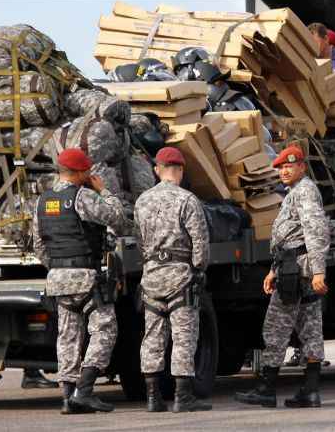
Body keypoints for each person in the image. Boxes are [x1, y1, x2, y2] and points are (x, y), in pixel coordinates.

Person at [33, 148, 127, 414]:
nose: (90, 174)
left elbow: (39, 245)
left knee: (67, 337)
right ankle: (84, 391)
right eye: (87, 170)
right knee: (105, 329)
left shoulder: (43, 201)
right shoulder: (83, 196)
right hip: (85, 276)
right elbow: (117, 219)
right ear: (79, 172)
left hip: (58, 278)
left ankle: (67, 397)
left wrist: (58, 266)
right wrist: (105, 192)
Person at [235, 146, 330, 408]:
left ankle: (266, 389)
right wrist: (273, 269)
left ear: (302, 167)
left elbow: (315, 230)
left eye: (289, 166)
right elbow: (290, 237)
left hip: (298, 270)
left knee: (275, 328)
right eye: (280, 167)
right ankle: (310, 391)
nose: (284, 171)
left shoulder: (305, 192)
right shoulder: (295, 192)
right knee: (310, 330)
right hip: (294, 267)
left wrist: (318, 270)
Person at [134, 146, 212, 413]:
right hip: (180, 275)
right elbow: (200, 242)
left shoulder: (142, 201)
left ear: (157, 170)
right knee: (183, 336)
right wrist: (199, 269)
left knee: (153, 336)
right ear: (180, 170)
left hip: (152, 274)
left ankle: (153, 398)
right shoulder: (188, 200)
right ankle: (182, 397)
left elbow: (139, 240)